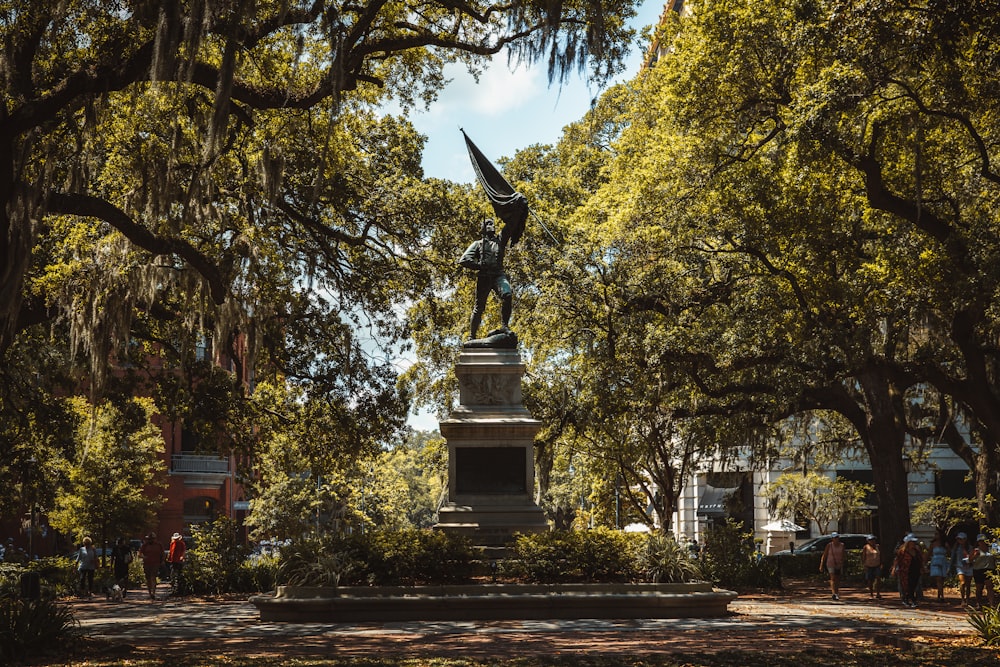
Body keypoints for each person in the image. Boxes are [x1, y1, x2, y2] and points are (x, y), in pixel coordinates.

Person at [458, 218, 512, 340]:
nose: (490, 225)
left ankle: (505, 326)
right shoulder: (478, 244)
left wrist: (517, 208)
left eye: (492, 223)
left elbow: (510, 224)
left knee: (507, 295)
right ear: (482, 228)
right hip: (484, 276)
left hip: (498, 275)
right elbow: (464, 260)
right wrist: (478, 266)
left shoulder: (501, 240)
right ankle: (472, 336)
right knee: (479, 307)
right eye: (487, 223)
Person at [891, 533, 923, 608]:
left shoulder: (916, 551)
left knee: (914, 585)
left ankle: (909, 598)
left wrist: (922, 568)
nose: (913, 544)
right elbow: (897, 560)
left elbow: (920, 560)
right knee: (907, 585)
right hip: (905, 571)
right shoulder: (902, 551)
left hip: (915, 570)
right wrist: (894, 569)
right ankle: (910, 600)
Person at [971, 534, 996, 609]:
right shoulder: (976, 550)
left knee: (989, 586)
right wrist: (975, 555)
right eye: (980, 541)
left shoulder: (991, 549)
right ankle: (978, 603)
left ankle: (991, 604)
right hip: (978, 570)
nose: (982, 542)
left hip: (989, 569)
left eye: (983, 541)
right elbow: (969, 560)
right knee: (979, 588)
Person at [819, 532, 846, 600]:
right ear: (832, 539)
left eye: (837, 538)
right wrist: (821, 564)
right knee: (833, 578)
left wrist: (842, 563)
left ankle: (837, 592)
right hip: (830, 563)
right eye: (834, 538)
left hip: (839, 564)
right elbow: (824, 555)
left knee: (837, 579)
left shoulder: (842, 545)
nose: (836, 539)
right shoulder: (829, 545)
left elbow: (843, 555)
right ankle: (834, 593)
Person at [138, 532, 164, 600]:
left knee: (153, 577)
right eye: (149, 539)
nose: (150, 540)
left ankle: (153, 593)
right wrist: (144, 557)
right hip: (147, 564)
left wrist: (162, 561)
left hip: (155, 564)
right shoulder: (145, 545)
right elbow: (140, 554)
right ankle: (150, 593)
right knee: (148, 579)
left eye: (151, 539)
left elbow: (162, 554)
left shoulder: (159, 545)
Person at [927, 529, 950, 602]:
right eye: (935, 534)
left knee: (942, 580)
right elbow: (929, 553)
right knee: (939, 579)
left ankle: (939, 595)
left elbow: (950, 552)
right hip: (935, 561)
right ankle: (942, 596)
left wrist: (947, 547)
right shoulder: (933, 544)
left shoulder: (944, 544)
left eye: (937, 534)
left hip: (943, 561)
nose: (936, 535)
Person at [952, 532, 974, 606]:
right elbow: (952, 557)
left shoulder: (970, 547)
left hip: (969, 567)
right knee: (962, 582)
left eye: (961, 539)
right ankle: (962, 599)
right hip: (960, 567)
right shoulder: (956, 548)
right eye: (958, 539)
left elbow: (971, 557)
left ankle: (967, 599)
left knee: (968, 585)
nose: (960, 541)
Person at [861, 534, 883, 599]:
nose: (872, 541)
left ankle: (878, 593)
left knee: (878, 578)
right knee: (870, 580)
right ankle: (871, 594)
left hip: (877, 565)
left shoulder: (878, 546)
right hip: (869, 565)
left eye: (873, 540)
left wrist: (882, 563)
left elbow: (881, 555)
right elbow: (863, 556)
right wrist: (864, 564)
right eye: (870, 540)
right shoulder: (866, 547)